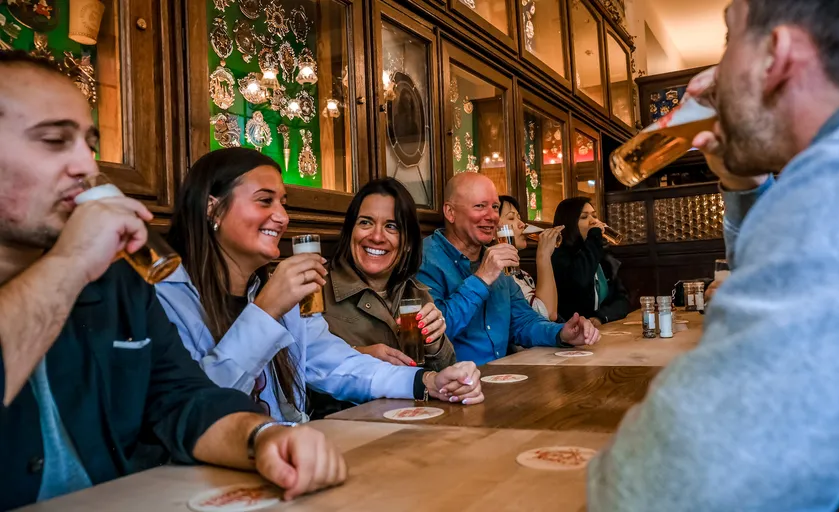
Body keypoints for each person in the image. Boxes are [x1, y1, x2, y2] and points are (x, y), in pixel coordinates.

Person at [588, 0, 839, 510]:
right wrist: (744, 186)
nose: (704, 83)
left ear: (776, 56)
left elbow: (656, 488)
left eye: (727, 39)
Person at [0, 51, 345, 510]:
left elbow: (182, 399)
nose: (87, 165)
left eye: (89, 142)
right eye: (53, 140)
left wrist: (262, 437)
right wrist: (73, 260)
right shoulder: (92, 264)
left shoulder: (118, 280)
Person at [155, 148, 483, 425]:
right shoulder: (165, 296)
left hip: (289, 460)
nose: (282, 216)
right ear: (212, 207)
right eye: (265, 201)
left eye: (283, 203)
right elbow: (194, 409)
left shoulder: (274, 289)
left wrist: (427, 381)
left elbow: (338, 364)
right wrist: (267, 309)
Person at [418, 172, 600, 365]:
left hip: (502, 378)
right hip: (450, 388)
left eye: (495, 207)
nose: (492, 216)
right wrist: (482, 279)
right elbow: (431, 334)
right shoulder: (425, 259)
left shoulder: (495, 259)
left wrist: (562, 333)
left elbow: (523, 322)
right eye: (480, 206)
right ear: (450, 212)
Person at [324, 178, 456, 370]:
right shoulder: (316, 291)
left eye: (391, 226)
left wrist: (435, 345)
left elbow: (447, 377)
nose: (377, 237)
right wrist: (360, 356)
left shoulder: (417, 294)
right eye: (366, 222)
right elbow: (298, 373)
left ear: (408, 243)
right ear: (350, 231)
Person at [551, 197, 631, 326]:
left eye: (594, 216)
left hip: (600, 331)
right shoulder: (558, 255)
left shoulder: (601, 256)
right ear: (569, 223)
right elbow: (580, 280)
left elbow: (623, 300)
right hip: (570, 333)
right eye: (584, 217)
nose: (593, 222)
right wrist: (594, 237)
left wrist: (601, 317)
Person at [496, 195, 562, 321]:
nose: (522, 224)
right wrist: (543, 255)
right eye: (511, 218)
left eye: (519, 218)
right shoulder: (499, 274)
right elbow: (546, 314)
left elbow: (551, 314)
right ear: (492, 229)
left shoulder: (523, 275)